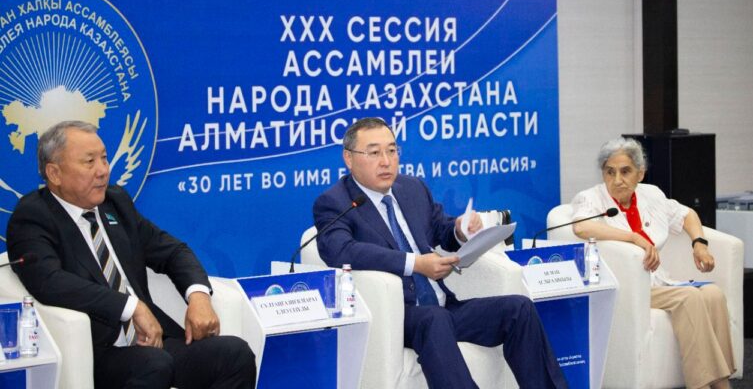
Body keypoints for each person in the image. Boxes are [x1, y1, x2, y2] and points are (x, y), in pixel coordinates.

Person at [313, 117, 566, 389]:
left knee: (519, 308)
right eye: (374, 153)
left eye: (392, 150)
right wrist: (415, 264)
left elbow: (439, 228)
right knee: (435, 319)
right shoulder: (335, 202)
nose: (386, 161)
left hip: (445, 307)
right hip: (397, 315)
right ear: (349, 158)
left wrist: (460, 230)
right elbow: (340, 250)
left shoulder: (412, 189)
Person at [6, 121, 256, 389]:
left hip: (155, 344)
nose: (103, 170)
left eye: (104, 158)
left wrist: (198, 296)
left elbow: (172, 251)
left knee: (235, 354)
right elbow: (50, 282)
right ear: (54, 173)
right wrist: (130, 307)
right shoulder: (33, 217)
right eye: (89, 162)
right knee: (155, 364)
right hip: (96, 353)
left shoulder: (115, 203)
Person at [570, 136, 735, 389]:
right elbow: (581, 227)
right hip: (628, 286)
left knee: (713, 294)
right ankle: (703, 385)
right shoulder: (591, 198)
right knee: (690, 297)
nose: (617, 180)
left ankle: (722, 382)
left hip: (660, 281)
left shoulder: (651, 194)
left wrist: (699, 243)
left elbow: (686, 214)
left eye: (625, 171)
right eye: (610, 172)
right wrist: (633, 237)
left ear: (640, 173)